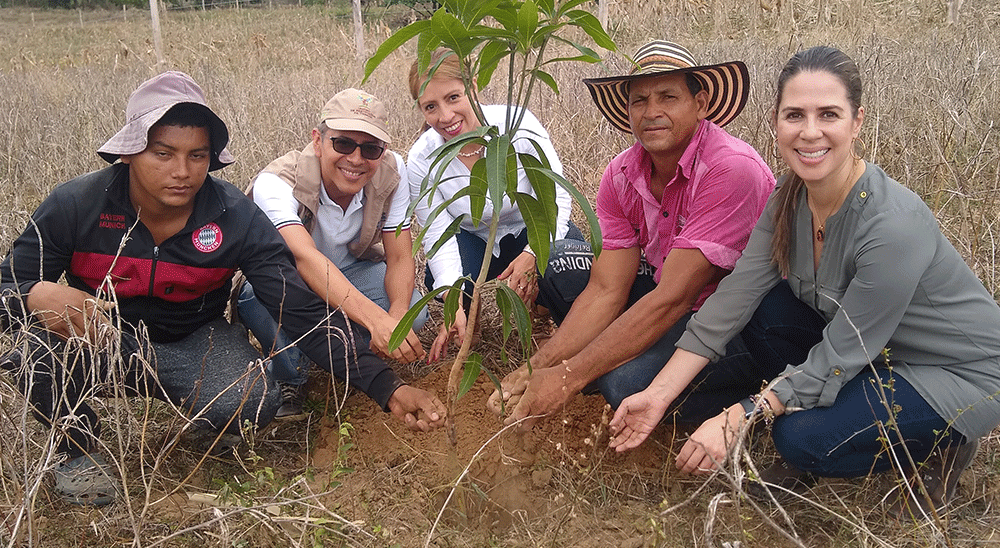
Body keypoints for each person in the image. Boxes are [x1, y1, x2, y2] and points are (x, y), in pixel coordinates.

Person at [0, 72, 445, 507]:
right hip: (102, 339)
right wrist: (36, 295)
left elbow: (300, 311)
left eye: (197, 155)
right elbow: (7, 286)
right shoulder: (75, 205)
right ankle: (77, 450)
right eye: (163, 153)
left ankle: (206, 416)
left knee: (253, 402)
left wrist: (388, 388)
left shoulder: (234, 216)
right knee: (28, 351)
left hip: (196, 339)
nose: (182, 172)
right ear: (130, 152)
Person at [608, 46, 1000, 517]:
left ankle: (944, 443)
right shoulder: (787, 197)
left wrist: (740, 416)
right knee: (764, 309)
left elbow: (839, 355)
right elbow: (733, 299)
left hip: (956, 372)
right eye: (794, 115)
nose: (810, 132)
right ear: (776, 123)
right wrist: (657, 395)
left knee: (799, 439)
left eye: (828, 114)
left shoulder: (892, 225)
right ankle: (840, 410)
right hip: (872, 355)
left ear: (856, 122)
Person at [487, 40, 777, 429]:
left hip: (738, 320)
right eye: (639, 100)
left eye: (668, 97)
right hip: (668, 295)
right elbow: (606, 290)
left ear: (700, 104)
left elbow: (674, 298)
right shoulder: (621, 174)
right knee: (557, 260)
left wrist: (570, 376)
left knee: (623, 384)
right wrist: (539, 365)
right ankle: (607, 360)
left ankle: (749, 403)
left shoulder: (730, 169)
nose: (651, 111)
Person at [237, 89, 428, 417]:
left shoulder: (393, 172)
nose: (356, 159)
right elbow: (304, 258)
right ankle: (290, 376)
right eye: (343, 144)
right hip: (289, 281)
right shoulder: (277, 182)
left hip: (350, 270)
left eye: (371, 148)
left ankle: (345, 353)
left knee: (414, 310)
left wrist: (395, 318)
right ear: (317, 141)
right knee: (257, 296)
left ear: (383, 151)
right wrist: (375, 320)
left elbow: (399, 255)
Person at [406, 48, 583, 362]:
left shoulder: (517, 126)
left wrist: (533, 254)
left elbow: (556, 196)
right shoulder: (423, 157)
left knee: (562, 254)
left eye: (453, 97)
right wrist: (452, 302)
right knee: (441, 277)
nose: (445, 117)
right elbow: (437, 234)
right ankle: (467, 320)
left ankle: (539, 315)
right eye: (430, 107)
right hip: (473, 239)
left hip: (529, 227)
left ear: (473, 85)